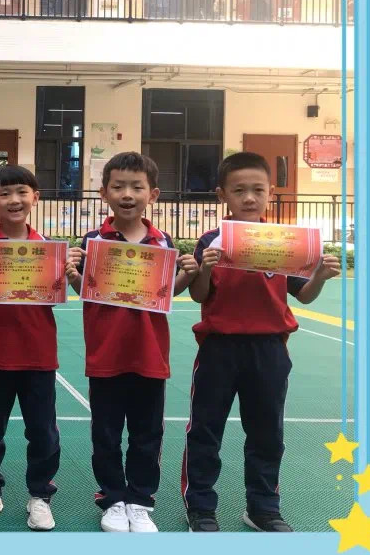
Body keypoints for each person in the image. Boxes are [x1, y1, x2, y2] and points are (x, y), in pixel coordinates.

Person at [182, 152, 341, 532]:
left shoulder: (286, 243)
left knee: (267, 434)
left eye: (258, 190)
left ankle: (263, 508)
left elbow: (304, 295)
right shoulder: (211, 241)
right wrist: (204, 268)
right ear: (222, 194)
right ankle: (200, 507)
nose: (249, 198)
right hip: (219, 348)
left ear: (271, 192)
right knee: (205, 430)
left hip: (269, 350)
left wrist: (319, 276)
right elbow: (200, 295)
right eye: (239, 190)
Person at [67, 152, 198, 533]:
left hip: (149, 355)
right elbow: (87, 290)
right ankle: (112, 499)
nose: (127, 194)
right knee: (105, 434)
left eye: (137, 187)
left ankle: (140, 501)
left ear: (152, 194)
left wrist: (188, 276)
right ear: (103, 192)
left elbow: (166, 294)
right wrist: (73, 273)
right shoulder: (93, 241)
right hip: (106, 354)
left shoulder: (162, 241)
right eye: (118, 186)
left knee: (147, 434)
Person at [0, 165, 69, 531]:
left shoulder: (49, 248)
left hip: (38, 353)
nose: (14, 200)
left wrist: (65, 274)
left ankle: (40, 495)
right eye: (5, 193)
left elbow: (56, 296)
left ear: (35, 197)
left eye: (22, 192)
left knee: (42, 431)